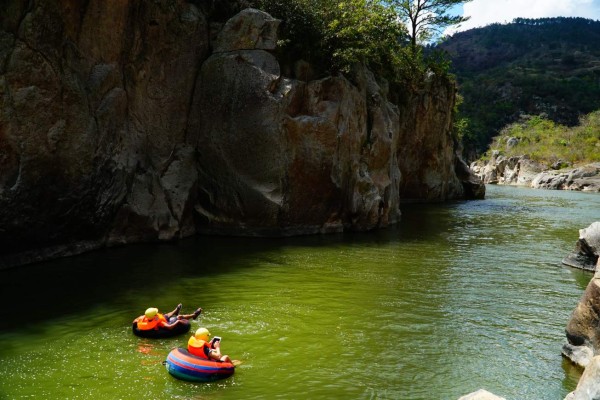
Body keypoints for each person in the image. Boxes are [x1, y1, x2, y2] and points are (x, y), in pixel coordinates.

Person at [133, 304, 202, 331]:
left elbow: (134, 321)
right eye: (156, 313)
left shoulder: (145, 318)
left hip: (160, 319)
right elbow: (170, 327)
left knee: (165, 315)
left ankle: (175, 311)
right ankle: (194, 315)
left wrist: (134, 325)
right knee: (179, 317)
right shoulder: (160, 322)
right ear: (154, 316)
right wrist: (178, 322)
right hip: (167, 323)